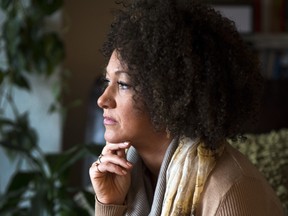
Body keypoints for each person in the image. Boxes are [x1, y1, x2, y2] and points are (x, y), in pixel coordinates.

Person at [89, 0, 284, 215]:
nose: (103, 100)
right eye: (107, 82)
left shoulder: (230, 190)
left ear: (169, 95)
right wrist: (109, 203)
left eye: (123, 84)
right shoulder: (128, 175)